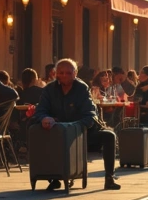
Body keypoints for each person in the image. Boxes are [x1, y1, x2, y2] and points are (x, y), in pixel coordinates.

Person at [32, 59, 120, 190]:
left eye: (68, 73)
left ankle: (109, 177)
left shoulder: (82, 88)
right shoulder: (49, 89)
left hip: (81, 132)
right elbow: (40, 110)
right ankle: (53, 177)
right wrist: (45, 118)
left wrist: (73, 126)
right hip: (57, 132)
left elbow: (90, 115)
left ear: (75, 73)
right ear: (55, 73)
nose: (64, 76)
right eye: (61, 72)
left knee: (109, 136)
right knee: (35, 129)